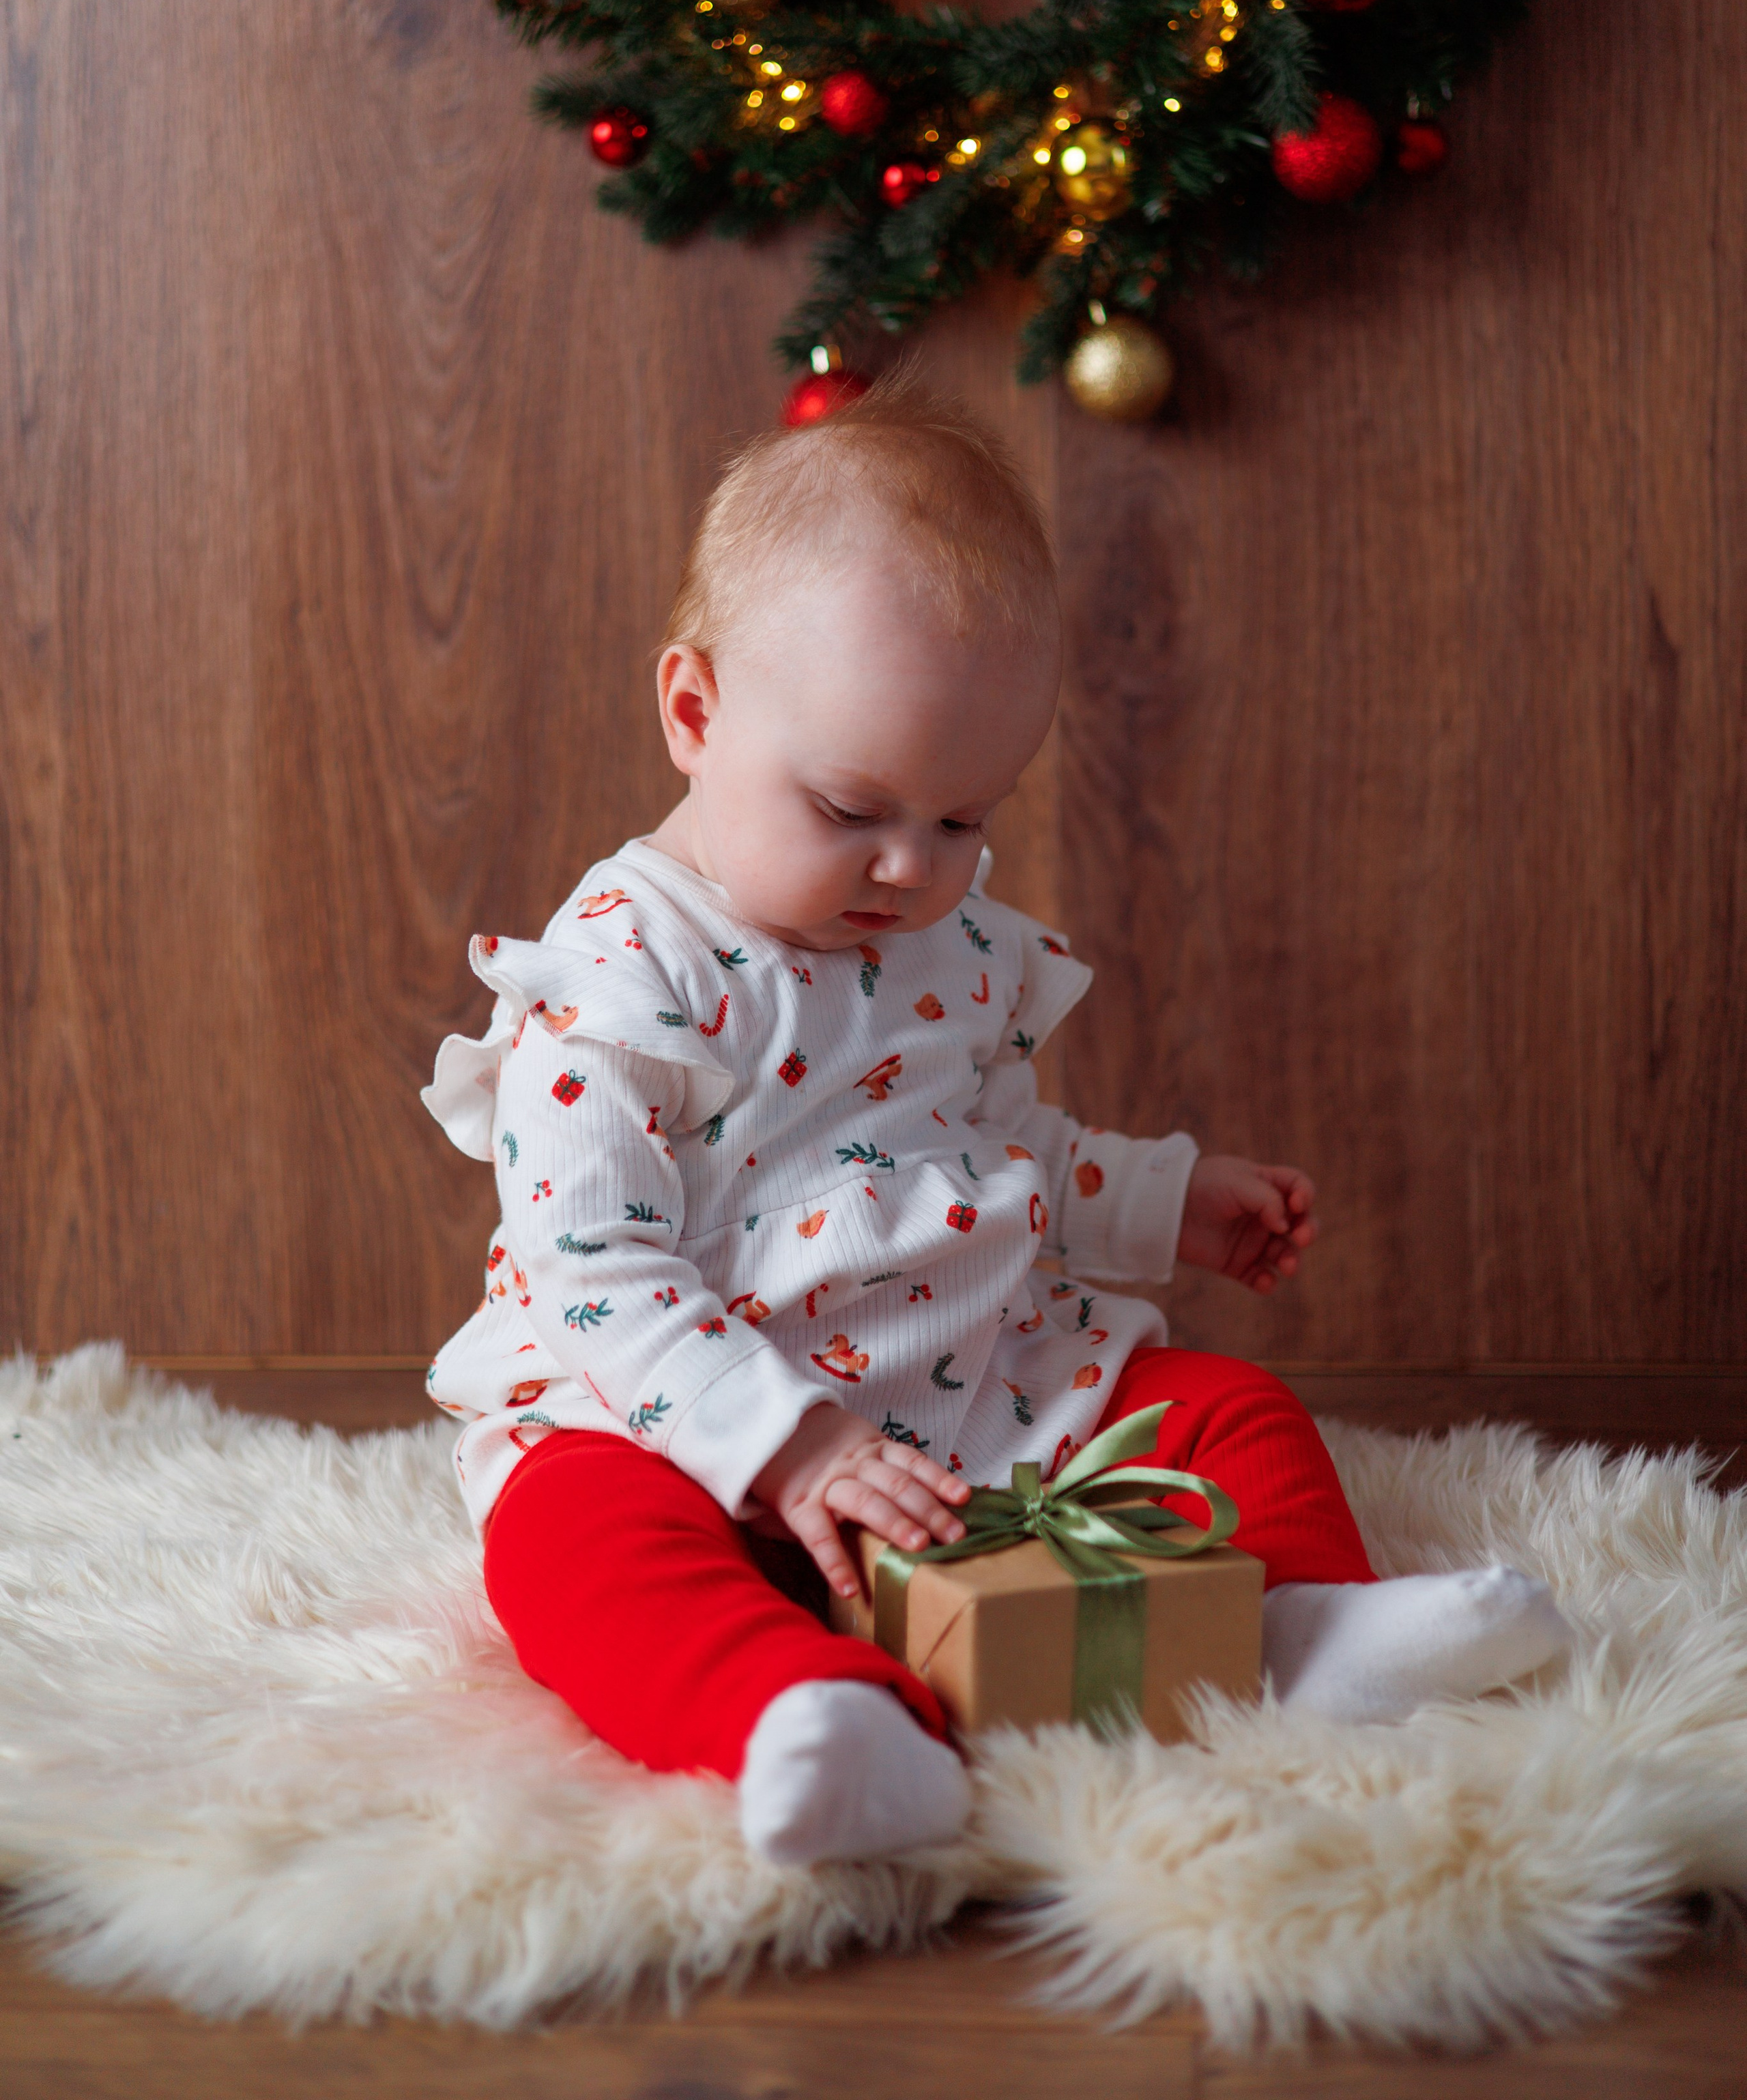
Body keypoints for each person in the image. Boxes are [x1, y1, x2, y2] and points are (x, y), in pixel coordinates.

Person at [422, 370, 1568, 1865]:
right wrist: (789, 1445)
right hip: (674, 1418)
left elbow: (989, 1156)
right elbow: (591, 1272)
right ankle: (803, 1718)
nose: (910, 868)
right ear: (694, 712)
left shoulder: (948, 945)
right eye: (853, 811)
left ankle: (1292, 1630)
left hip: (961, 1391)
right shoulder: (622, 975)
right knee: (569, 1545)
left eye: (963, 818)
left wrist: (1162, 1200)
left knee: (1224, 1411)